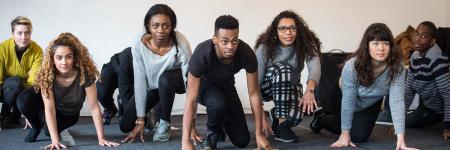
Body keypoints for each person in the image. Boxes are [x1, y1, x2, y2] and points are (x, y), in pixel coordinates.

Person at [309, 23, 417, 150]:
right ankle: (321, 118)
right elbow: (348, 102)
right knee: (346, 131)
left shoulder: (397, 67)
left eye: (385, 43)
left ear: (391, 46)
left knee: (360, 137)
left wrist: (401, 140)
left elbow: (397, 101)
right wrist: (344, 134)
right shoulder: (352, 66)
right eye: (375, 43)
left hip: (372, 100)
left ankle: (338, 124)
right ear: (367, 46)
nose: (381, 48)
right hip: (343, 96)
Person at [16, 32, 120, 149]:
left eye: (68, 57)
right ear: (52, 58)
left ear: (74, 57)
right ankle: (35, 127)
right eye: (59, 58)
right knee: (23, 99)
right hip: (52, 106)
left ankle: (44, 125)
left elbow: (94, 107)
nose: (64, 62)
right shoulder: (48, 75)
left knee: (48, 131)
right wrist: (55, 141)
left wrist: (101, 138)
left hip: (68, 114)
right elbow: (50, 109)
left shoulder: (85, 75)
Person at [182, 15, 271, 150]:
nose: (230, 46)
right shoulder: (202, 54)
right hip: (204, 86)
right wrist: (185, 141)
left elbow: (254, 94)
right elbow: (191, 99)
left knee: (242, 140)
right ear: (215, 40)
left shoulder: (246, 53)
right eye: (224, 41)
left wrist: (259, 134)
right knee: (218, 104)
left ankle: (220, 123)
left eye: (234, 41)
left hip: (226, 86)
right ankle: (211, 136)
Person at [120, 3, 192, 143]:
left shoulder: (181, 43)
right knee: (125, 125)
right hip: (152, 87)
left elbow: (190, 81)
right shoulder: (138, 45)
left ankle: (164, 122)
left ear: (172, 26)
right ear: (148, 26)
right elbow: (140, 82)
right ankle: (150, 116)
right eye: (156, 25)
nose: (161, 30)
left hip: (173, 82)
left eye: (166, 25)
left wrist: (192, 123)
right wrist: (140, 120)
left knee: (165, 79)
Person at [254, 10, 321, 142]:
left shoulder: (305, 44)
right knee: (283, 68)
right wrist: (261, 117)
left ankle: (277, 116)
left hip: (290, 85)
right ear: (275, 31)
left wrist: (309, 90)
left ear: (298, 30)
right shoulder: (264, 47)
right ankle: (282, 123)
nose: (288, 33)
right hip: (267, 87)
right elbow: (256, 82)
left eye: (292, 28)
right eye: (283, 28)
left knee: (296, 117)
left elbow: (315, 67)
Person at [404, 21, 450, 139]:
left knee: (408, 122)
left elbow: (447, 93)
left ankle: (443, 120)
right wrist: (399, 122)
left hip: (437, 109)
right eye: (416, 34)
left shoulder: (436, 58)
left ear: (432, 41)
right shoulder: (414, 56)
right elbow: (409, 89)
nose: (417, 39)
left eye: (424, 36)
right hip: (425, 104)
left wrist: (448, 127)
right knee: (398, 118)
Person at [0, 16, 42, 129]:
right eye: (19, 33)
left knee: (24, 85)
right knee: (15, 83)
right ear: (12, 33)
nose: (24, 37)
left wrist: (27, 108)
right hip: (4, 88)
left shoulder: (37, 50)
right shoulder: (2, 48)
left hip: (24, 86)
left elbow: (33, 80)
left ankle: (16, 116)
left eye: (27, 33)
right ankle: (5, 115)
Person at [96, 47, 132, 125]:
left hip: (133, 74)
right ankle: (110, 109)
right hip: (116, 64)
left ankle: (124, 107)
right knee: (101, 90)